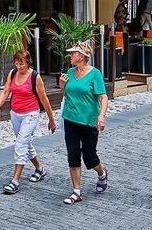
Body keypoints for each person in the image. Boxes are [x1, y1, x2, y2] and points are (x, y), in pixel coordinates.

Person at [0, 49, 56, 194]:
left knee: (20, 144)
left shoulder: (35, 77)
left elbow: (44, 100)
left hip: (31, 114)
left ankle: (15, 181)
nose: (19, 66)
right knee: (25, 143)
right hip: (15, 113)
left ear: (28, 62)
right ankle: (40, 169)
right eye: (17, 63)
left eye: (22, 63)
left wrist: (51, 120)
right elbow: (6, 91)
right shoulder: (12, 73)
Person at [57, 41, 109, 204]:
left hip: (88, 121)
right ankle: (76, 192)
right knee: (73, 155)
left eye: (73, 53)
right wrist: (62, 86)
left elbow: (103, 97)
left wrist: (101, 116)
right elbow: (66, 95)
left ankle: (102, 173)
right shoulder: (70, 72)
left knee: (90, 156)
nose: (70, 56)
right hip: (70, 119)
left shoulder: (95, 74)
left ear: (82, 57)